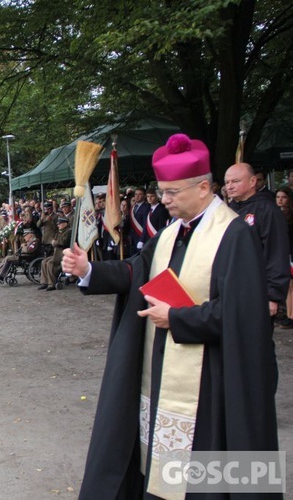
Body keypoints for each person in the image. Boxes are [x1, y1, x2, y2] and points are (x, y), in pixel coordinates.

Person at [61, 133, 279, 498]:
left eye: (172, 192)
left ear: (203, 187)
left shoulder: (234, 235)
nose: (164, 200)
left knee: (207, 475)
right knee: (157, 469)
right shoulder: (169, 233)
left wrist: (178, 318)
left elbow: (243, 314)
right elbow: (135, 271)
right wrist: (88, 270)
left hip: (212, 377)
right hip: (160, 374)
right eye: (162, 191)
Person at [225, 162, 290, 318]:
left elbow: (276, 252)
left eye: (236, 181)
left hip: (258, 289)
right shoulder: (227, 210)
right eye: (227, 182)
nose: (230, 186)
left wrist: (272, 296)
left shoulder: (268, 210)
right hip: (231, 288)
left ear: (252, 181)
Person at [276, 186, 293, 329]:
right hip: (283, 253)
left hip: (291, 253)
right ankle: (288, 314)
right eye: (278, 197)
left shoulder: (290, 216)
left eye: (284, 197)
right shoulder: (274, 214)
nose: (280, 200)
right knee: (288, 287)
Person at [38, 217, 71, 291]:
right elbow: (54, 239)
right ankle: (44, 282)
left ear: (65, 224)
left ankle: (51, 283)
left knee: (50, 263)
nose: (58, 225)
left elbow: (63, 242)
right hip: (56, 253)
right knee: (44, 262)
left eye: (60, 224)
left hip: (63, 254)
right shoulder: (59, 232)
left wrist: (55, 243)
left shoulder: (68, 231)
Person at [130, 187, 149, 255]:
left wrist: (142, 240)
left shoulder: (146, 207)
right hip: (132, 239)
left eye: (140, 194)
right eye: (136, 194)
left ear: (144, 196)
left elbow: (145, 225)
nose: (137, 196)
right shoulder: (133, 207)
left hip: (140, 237)